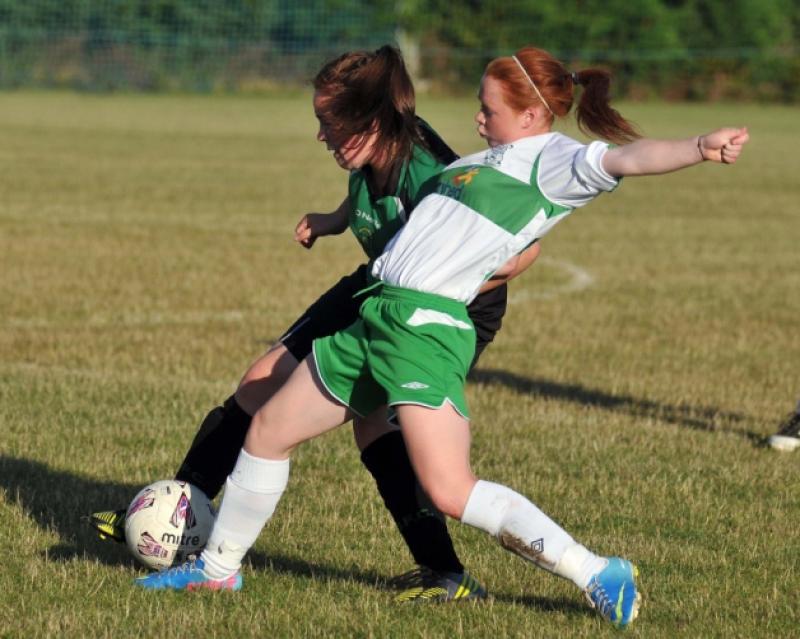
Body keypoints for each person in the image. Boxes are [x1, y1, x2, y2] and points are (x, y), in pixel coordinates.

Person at [134, 46, 748, 629]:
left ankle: (596, 572)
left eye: (490, 109)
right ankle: (216, 573)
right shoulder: (475, 163)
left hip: (423, 331)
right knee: (268, 431)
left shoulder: (554, 161)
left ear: (532, 114)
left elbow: (627, 159)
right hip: (375, 316)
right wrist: (336, 220)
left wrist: (699, 146)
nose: (477, 119)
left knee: (450, 488)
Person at [89, 45, 541, 601]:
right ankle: (172, 515)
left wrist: (453, 287)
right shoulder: (374, 153)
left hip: (441, 309)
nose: (321, 136)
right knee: (259, 381)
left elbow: (517, 246)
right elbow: (368, 201)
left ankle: (445, 572)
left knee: (375, 427)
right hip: (378, 284)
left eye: (329, 123)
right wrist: (330, 221)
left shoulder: (427, 172)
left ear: (369, 119)